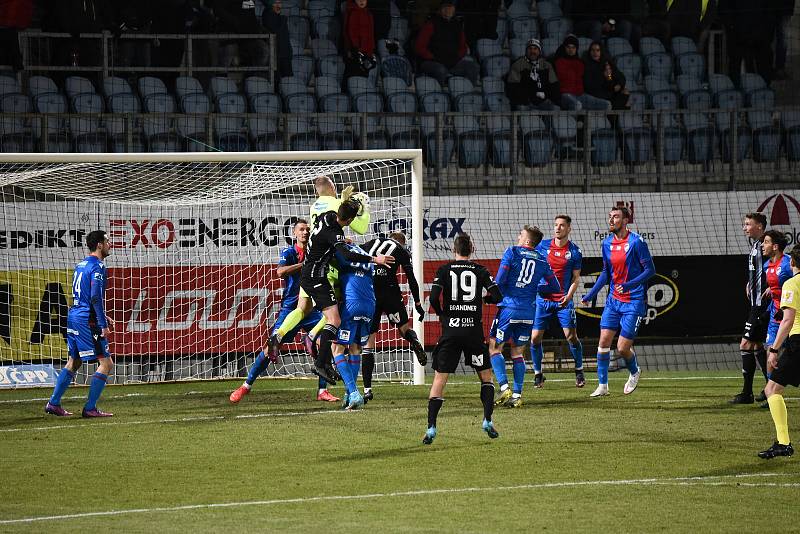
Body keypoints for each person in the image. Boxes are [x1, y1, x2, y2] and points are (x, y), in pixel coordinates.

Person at [229, 219, 338, 404]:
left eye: (307, 229)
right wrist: (305, 266)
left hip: (312, 309)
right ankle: (245, 386)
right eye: (301, 229)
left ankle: (322, 390)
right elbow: (280, 272)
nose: (305, 232)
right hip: (291, 308)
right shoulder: (289, 252)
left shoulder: (317, 251)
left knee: (325, 344)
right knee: (271, 346)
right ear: (294, 233)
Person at [267, 176, 370, 360]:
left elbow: (324, 231)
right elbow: (360, 228)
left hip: (311, 259)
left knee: (302, 308)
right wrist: (363, 207)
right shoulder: (336, 203)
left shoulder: (314, 206)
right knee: (335, 309)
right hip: (327, 263)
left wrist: (338, 239)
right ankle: (313, 336)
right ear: (332, 187)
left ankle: (278, 335)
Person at [299, 199, 394, 384]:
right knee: (335, 320)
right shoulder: (333, 232)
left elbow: (327, 236)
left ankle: (324, 362)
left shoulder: (326, 217)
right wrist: (376, 259)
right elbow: (348, 255)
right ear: (350, 220)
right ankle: (321, 363)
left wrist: (340, 240)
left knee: (332, 319)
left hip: (313, 274)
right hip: (314, 278)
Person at [423, 233, 503, 445]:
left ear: (453, 250)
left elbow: (432, 298)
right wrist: (482, 299)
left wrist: (442, 314)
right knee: (486, 377)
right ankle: (487, 419)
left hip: (450, 331)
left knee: (440, 379)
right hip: (473, 332)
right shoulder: (481, 270)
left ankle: (431, 427)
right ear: (472, 249)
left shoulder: (444, 269)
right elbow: (498, 296)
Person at [581, 206, 655, 397]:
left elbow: (650, 270)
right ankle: (603, 386)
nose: (611, 220)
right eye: (610, 217)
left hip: (634, 301)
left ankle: (634, 371)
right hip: (614, 300)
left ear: (625, 220)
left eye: (615, 217)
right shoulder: (606, 244)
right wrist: (590, 295)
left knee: (622, 348)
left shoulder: (637, 242)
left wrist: (630, 284)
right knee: (603, 341)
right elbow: (606, 273)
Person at [45, 230, 115, 418]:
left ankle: (53, 403)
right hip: (87, 320)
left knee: (74, 361)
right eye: (107, 241)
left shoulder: (80, 265)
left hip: (74, 315)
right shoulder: (98, 266)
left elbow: (85, 296)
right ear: (99, 245)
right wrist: (103, 323)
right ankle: (90, 408)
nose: (110, 244)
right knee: (106, 363)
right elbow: (94, 297)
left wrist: (103, 315)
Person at [490, 226, 560, 408]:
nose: (518, 237)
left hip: (509, 309)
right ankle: (517, 395)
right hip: (529, 312)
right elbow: (555, 287)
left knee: (495, 348)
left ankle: (504, 387)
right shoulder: (543, 261)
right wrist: (534, 288)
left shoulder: (512, 252)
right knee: (517, 353)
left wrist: (501, 293)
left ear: (527, 240)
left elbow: (499, 280)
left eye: (520, 235)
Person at [360, 231, 427, 402]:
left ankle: (367, 389)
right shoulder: (401, 250)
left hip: (371, 294)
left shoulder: (370, 244)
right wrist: (418, 304)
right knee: (404, 329)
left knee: (369, 344)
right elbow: (411, 278)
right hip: (391, 294)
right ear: (401, 242)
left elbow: (355, 257)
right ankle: (414, 342)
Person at [531, 215, 586, 389]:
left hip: (563, 300)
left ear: (569, 229)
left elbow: (576, 278)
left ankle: (579, 370)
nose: (558, 228)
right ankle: (538, 375)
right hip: (543, 300)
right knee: (534, 339)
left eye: (562, 225)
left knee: (571, 337)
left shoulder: (575, 252)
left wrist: (569, 296)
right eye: (556, 225)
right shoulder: (542, 246)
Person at [759, 245, 800, 459]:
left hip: (798, 342)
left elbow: (788, 321)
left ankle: (784, 443)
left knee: (772, 389)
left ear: (792, 262)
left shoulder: (791, 284)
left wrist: (774, 349)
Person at [331, 243, 377, 410]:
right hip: (370, 305)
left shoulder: (341, 251)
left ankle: (353, 392)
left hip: (352, 304)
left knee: (337, 349)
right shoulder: (365, 255)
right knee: (355, 349)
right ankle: (348, 393)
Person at [731, 212, 770, 404]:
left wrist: (772, 286)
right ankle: (768, 389)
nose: (744, 227)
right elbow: (760, 269)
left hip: (762, 305)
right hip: (755, 302)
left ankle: (748, 393)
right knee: (756, 346)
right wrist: (750, 281)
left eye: (748, 224)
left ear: (760, 226)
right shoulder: (755, 244)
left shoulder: (766, 244)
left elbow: (779, 264)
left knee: (745, 344)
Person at [414, 0, 480, 85]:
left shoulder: (457, 25)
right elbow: (419, 47)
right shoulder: (431, 25)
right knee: (441, 70)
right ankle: (440, 95)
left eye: (450, 7)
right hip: (432, 61)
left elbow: (463, 47)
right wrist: (433, 57)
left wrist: (456, 57)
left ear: (454, 9)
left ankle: (469, 93)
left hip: (452, 61)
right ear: (440, 9)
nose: (448, 10)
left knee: (472, 67)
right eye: (445, 7)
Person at [553, 34, 612, 111]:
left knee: (608, 104)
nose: (595, 53)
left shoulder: (607, 64)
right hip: (568, 94)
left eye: (597, 50)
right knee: (577, 104)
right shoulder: (559, 62)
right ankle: (578, 121)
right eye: (568, 47)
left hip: (602, 93)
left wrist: (610, 77)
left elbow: (613, 79)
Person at [506, 39, 561, 111]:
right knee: (521, 108)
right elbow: (512, 87)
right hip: (526, 102)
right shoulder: (518, 64)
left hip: (543, 102)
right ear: (526, 51)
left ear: (539, 51)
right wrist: (528, 98)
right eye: (530, 49)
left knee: (556, 108)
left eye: (535, 49)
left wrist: (547, 97)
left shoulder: (546, 65)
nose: (532, 51)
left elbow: (554, 86)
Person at [763, 230, 792, 361]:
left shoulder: (788, 264)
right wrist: (771, 287)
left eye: (766, 242)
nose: (762, 245)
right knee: (770, 352)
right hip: (775, 314)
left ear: (775, 247)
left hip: (790, 315)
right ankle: (770, 382)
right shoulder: (766, 266)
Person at [583, 42, 629, 110]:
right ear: (589, 52)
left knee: (625, 92)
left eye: (597, 50)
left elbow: (620, 76)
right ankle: (612, 116)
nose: (595, 53)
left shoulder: (606, 63)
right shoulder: (587, 65)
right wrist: (608, 79)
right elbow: (590, 85)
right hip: (597, 95)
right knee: (625, 105)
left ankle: (613, 116)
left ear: (601, 51)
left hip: (609, 92)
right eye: (592, 50)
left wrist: (619, 85)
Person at [344, 0, 378, 81]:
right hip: (356, 51)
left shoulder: (369, 13)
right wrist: (354, 48)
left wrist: (371, 50)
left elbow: (371, 34)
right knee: (354, 75)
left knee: (363, 76)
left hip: (366, 52)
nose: (361, 1)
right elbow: (350, 32)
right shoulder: (353, 12)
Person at [262, 0, 293, 79]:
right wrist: (283, 18)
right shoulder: (268, 14)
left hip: (284, 54)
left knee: (287, 79)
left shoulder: (278, 15)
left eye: (280, 3)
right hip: (277, 55)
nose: (278, 5)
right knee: (277, 80)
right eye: (275, 3)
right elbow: (276, 31)